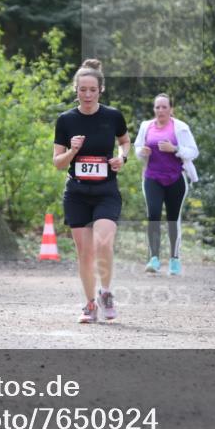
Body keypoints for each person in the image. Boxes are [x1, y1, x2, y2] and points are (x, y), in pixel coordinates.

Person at [53, 59, 131, 323]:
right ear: (75, 89)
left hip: (106, 190)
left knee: (103, 242)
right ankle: (89, 304)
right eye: (82, 89)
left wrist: (122, 158)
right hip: (76, 192)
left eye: (92, 90)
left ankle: (106, 293)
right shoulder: (65, 120)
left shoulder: (113, 116)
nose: (87, 94)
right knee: (84, 252)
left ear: (101, 90)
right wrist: (72, 151)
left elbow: (124, 141)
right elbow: (57, 163)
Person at [133, 93, 199, 276]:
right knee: (153, 214)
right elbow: (137, 147)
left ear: (171, 109)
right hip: (152, 178)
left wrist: (175, 149)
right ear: (153, 109)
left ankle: (174, 259)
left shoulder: (181, 128)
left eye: (164, 107)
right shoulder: (146, 126)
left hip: (175, 179)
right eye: (157, 107)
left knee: (172, 219)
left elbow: (194, 152)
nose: (160, 110)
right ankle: (153, 258)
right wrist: (142, 151)